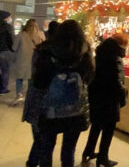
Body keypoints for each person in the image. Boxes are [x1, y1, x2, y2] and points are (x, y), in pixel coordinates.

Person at [31, 20, 93, 167]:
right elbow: (89, 77)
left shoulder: (45, 50)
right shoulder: (84, 52)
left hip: (50, 110)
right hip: (75, 110)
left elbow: (38, 81)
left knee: (47, 148)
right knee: (69, 151)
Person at [82, 33, 128, 167]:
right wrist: (123, 94)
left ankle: (88, 151)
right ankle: (103, 157)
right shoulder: (116, 57)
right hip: (110, 97)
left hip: (97, 94)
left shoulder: (101, 52)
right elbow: (117, 80)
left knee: (96, 125)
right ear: (122, 44)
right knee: (109, 127)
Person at [23, 21, 59, 167]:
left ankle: (32, 162)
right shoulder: (56, 54)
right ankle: (35, 162)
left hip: (34, 98)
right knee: (47, 140)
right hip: (46, 102)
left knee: (39, 137)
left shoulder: (39, 50)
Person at [10, 19, 42, 105]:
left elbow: (14, 48)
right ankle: (30, 96)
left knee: (19, 78)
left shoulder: (21, 35)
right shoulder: (39, 35)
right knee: (31, 79)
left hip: (21, 60)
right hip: (34, 60)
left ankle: (19, 94)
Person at [0, 10, 14, 94]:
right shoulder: (7, 27)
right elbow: (10, 39)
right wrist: (11, 49)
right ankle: (3, 88)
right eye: (9, 16)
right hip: (5, 51)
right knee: (5, 71)